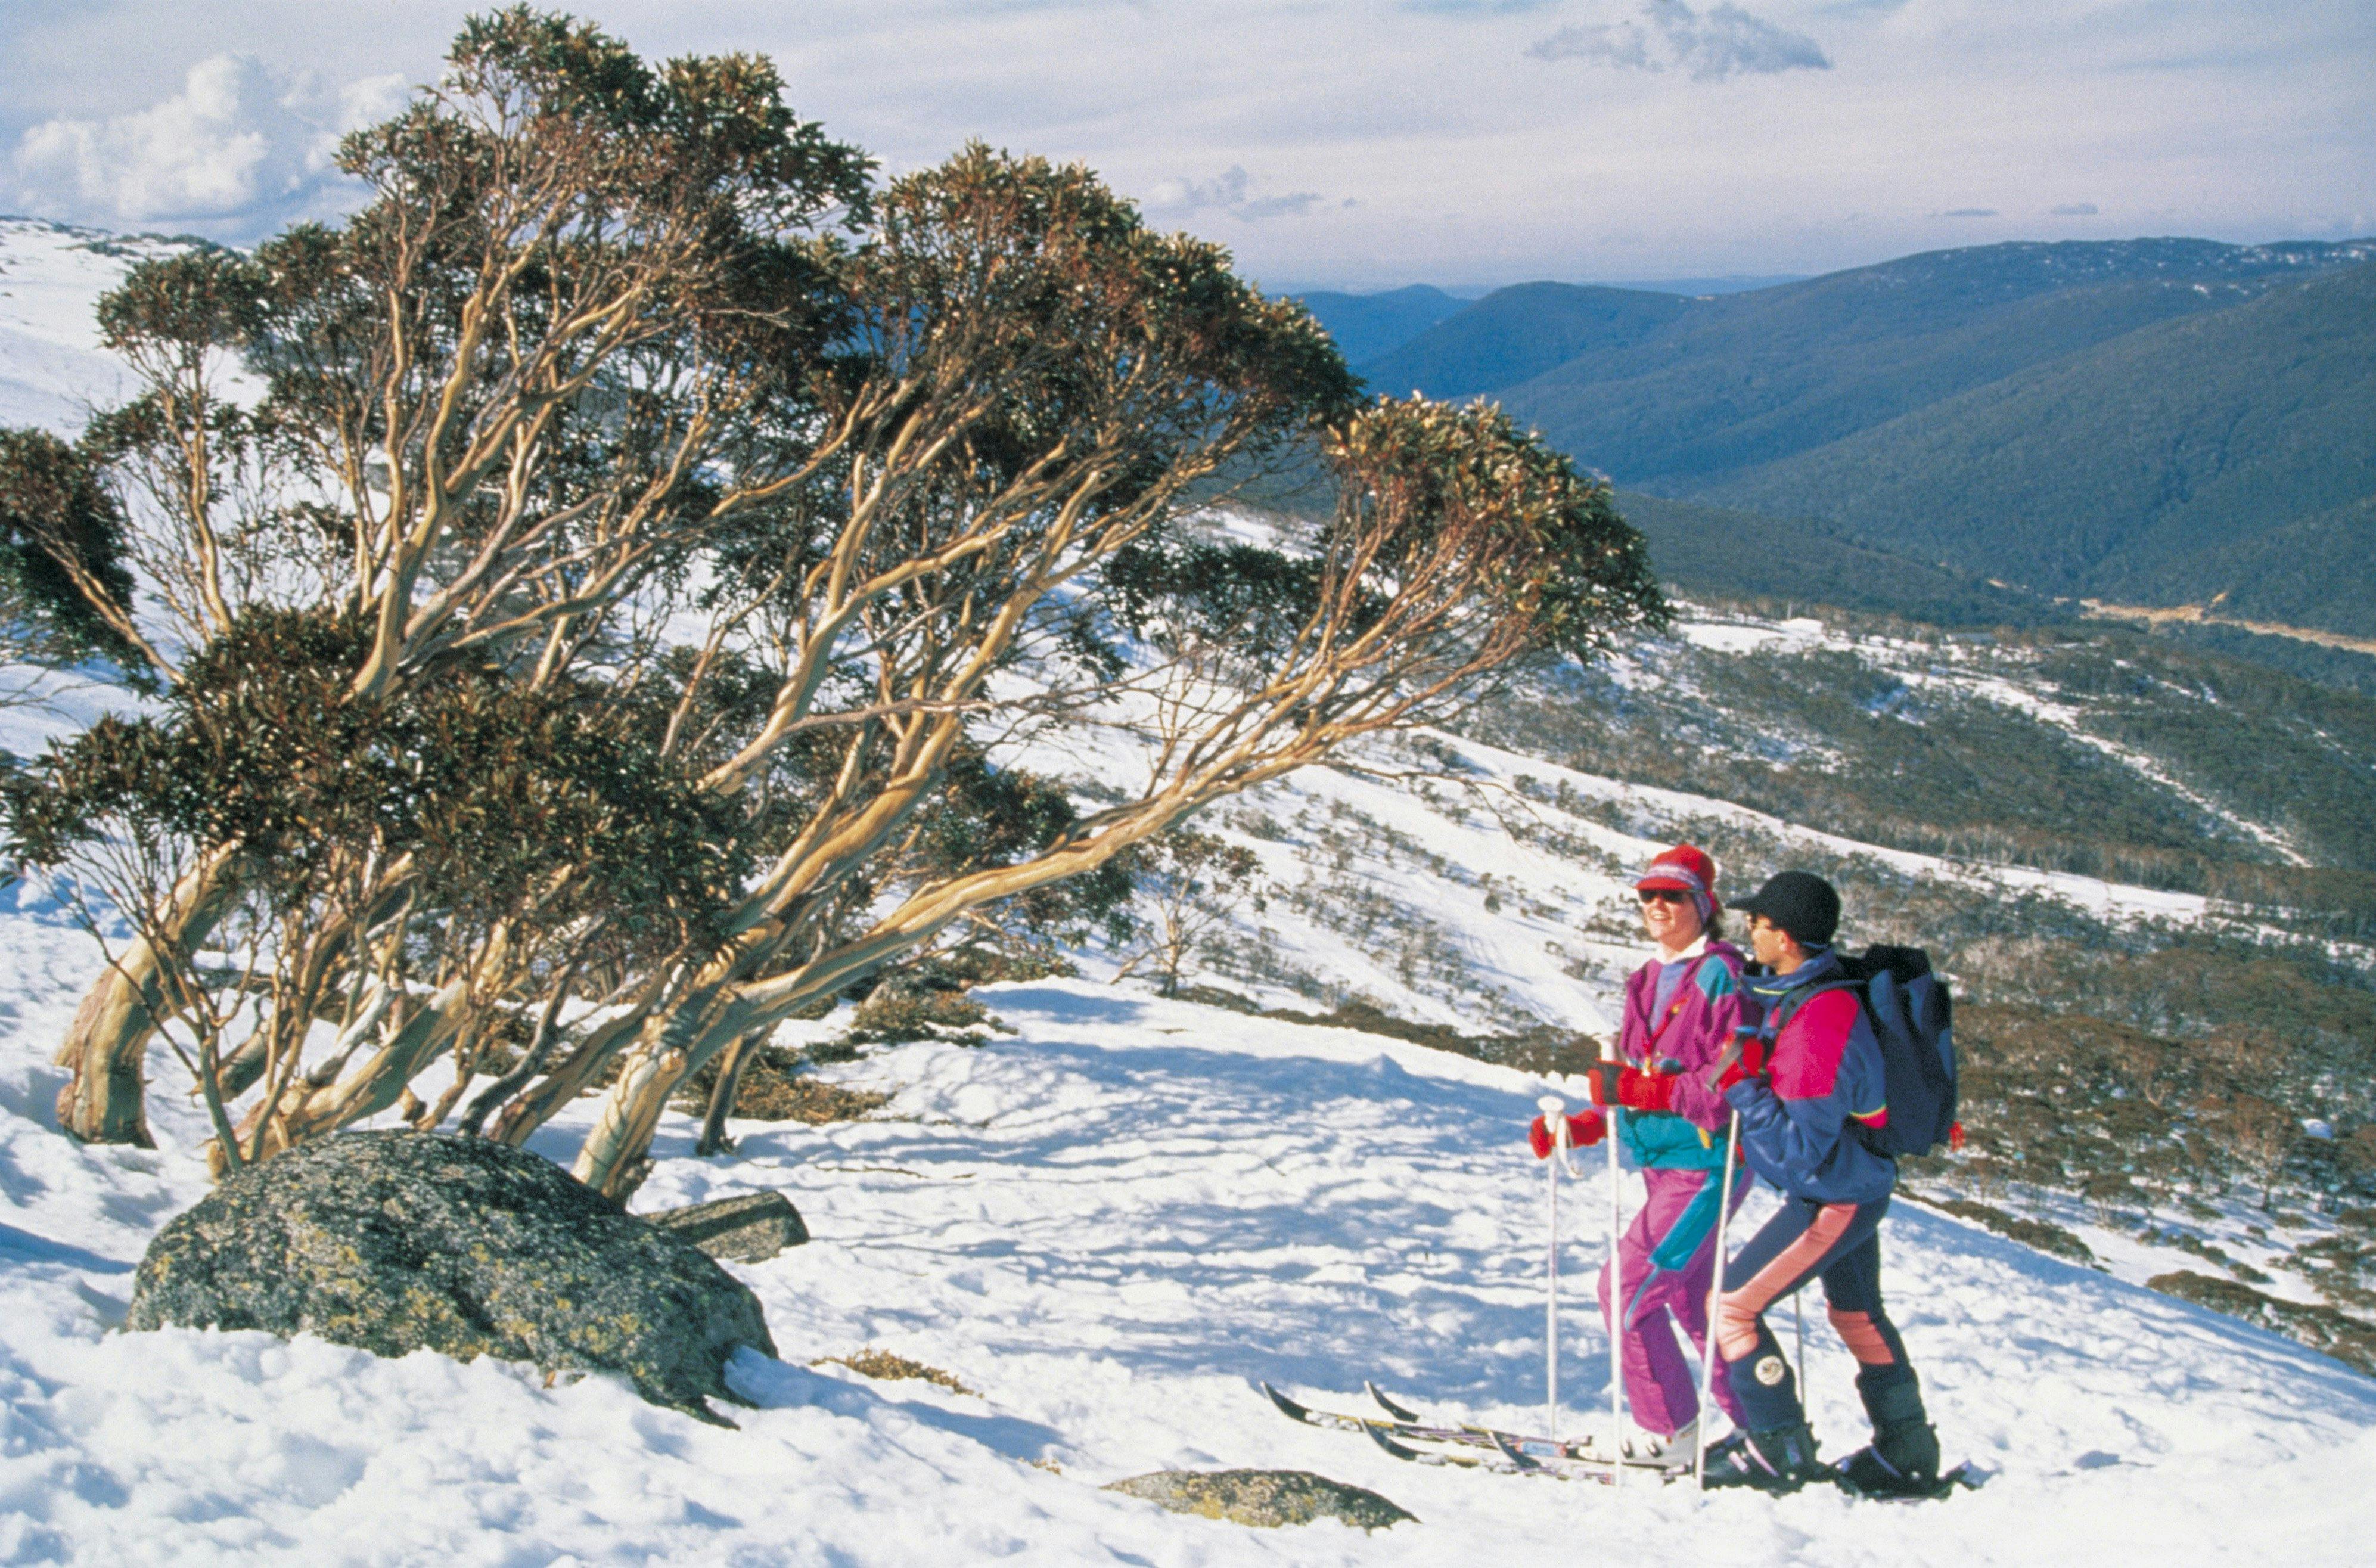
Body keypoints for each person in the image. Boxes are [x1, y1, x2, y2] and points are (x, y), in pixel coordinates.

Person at [1700, 870, 1942, 1496]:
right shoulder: (1825, 994)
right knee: (1857, 1313)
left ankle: (1777, 1448)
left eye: (1758, 924)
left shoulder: (1817, 1025)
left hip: (1833, 1195)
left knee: (1731, 1306)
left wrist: (1742, 1090)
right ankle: (1907, 1450)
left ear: (1786, 936)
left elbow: (1798, 1154)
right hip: (1859, 1187)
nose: (1749, 932)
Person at [1527, 844, 1753, 1465]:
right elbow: (1629, 1074)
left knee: (1627, 1292)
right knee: (1697, 1302)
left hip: (1708, 1163)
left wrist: (1637, 1090)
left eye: (1673, 895)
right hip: (1663, 1161)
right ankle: (1768, 1427)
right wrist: (1585, 1125)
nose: (1657, 905)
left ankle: (1671, 1432)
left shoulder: (1724, 978)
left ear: (1703, 906)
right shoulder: (1647, 978)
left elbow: (1726, 1089)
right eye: (1648, 895)